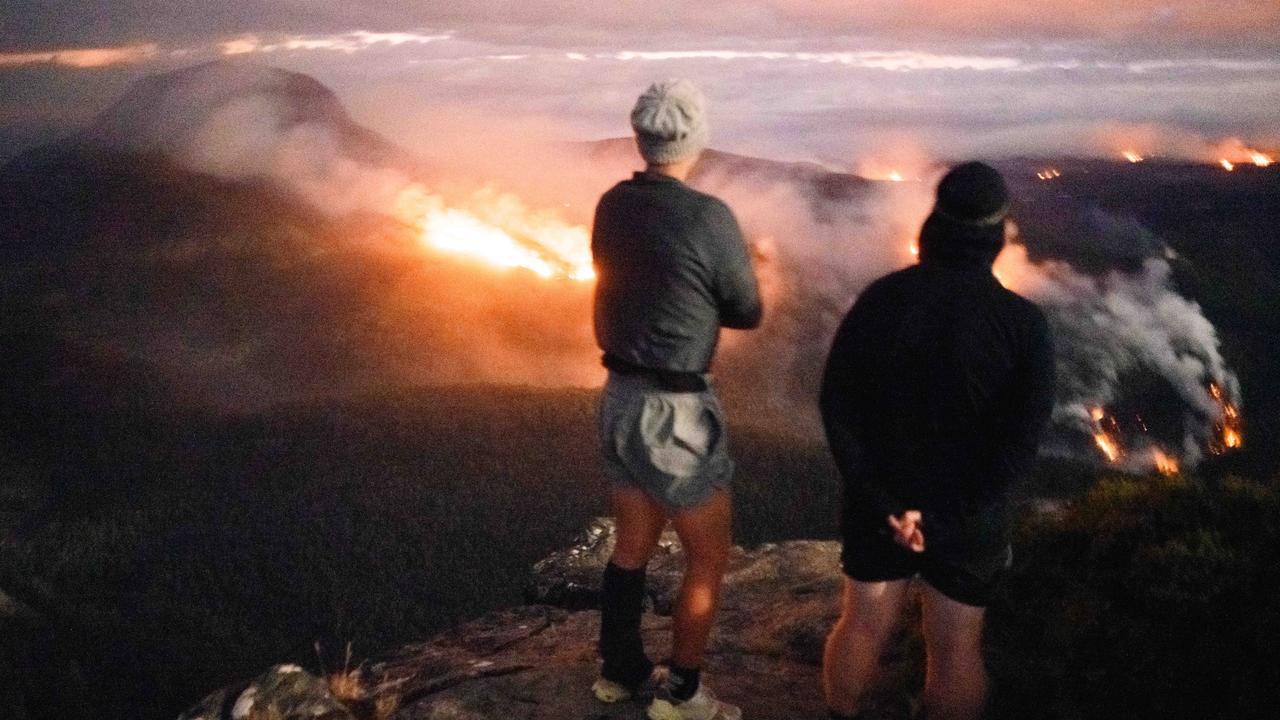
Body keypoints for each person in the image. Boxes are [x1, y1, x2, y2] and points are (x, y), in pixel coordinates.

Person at [819, 162, 1056, 720]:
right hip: (968, 518)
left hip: (882, 505)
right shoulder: (1023, 326)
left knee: (862, 623)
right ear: (996, 235)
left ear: (934, 224)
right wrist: (948, 521)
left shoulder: (880, 300)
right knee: (955, 651)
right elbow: (1020, 444)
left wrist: (884, 505)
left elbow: (838, 407)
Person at [590, 78, 763, 720]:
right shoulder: (709, 216)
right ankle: (683, 695)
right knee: (708, 556)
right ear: (696, 138)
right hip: (677, 410)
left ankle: (620, 672)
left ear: (641, 137)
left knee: (631, 544)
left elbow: (639, 273)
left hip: (618, 397)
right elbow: (746, 310)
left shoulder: (612, 205)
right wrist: (744, 266)